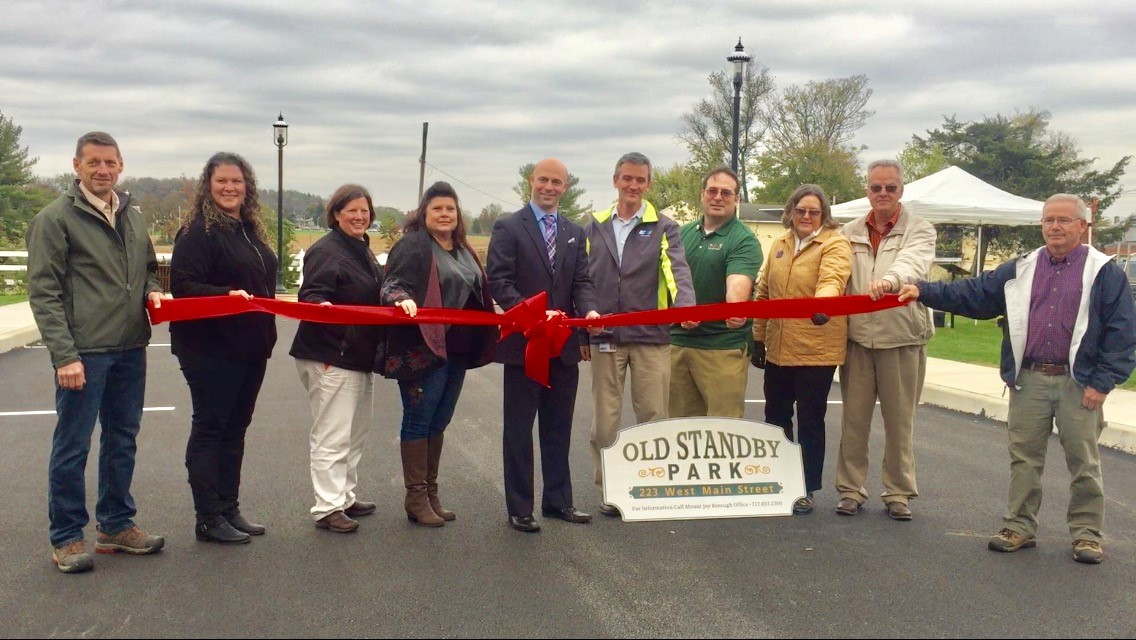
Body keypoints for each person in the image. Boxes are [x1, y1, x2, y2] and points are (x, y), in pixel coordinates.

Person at [898, 194, 1136, 564]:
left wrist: (1102, 382)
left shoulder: (1104, 271)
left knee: (1084, 462)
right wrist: (924, 290)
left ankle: (1087, 535)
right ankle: (1019, 527)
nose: (1054, 227)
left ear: (1082, 226)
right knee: (1024, 459)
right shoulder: (1023, 267)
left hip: (1079, 383)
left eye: (1063, 220)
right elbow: (975, 293)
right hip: (1030, 379)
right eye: (1048, 220)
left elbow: (1122, 332)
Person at [27, 131, 167, 573]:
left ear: (121, 165)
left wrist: (151, 292)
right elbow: (44, 293)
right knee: (72, 446)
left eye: (110, 162)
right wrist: (64, 355)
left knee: (122, 439)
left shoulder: (133, 215)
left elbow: (148, 269)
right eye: (94, 163)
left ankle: (115, 524)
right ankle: (67, 537)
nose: (103, 170)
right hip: (84, 352)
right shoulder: (55, 219)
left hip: (130, 346)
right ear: (76, 166)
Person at [486, 158, 601, 533]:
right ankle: (520, 507)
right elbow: (499, 281)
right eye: (543, 180)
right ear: (531, 182)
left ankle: (558, 502)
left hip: (563, 347)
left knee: (558, 427)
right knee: (519, 429)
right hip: (524, 345)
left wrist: (590, 311)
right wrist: (531, 315)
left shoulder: (573, 230)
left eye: (557, 182)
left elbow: (581, 280)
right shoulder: (508, 226)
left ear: (565, 187)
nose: (549, 187)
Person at [170, 152, 278, 545]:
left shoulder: (247, 229)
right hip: (210, 349)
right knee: (211, 428)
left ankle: (229, 508)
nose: (230, 188)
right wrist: (225, 295)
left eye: (237, 181)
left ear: (247, 186)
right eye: (221, 182)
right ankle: (208, 518)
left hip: (250, 347)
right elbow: (182, 286)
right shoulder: (199, 233)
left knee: (236, 429)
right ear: (208, 185)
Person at [585, 152, 696, 516]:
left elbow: (675, 268)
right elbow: (581, 280)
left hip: (651, 336)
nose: (633, 185)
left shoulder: (664, 226)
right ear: (615, 180)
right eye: (627, 178)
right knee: (605, 422)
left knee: (652, 416)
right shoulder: (594, 225)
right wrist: (580, 333)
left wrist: (686, 306)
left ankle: (649, 487)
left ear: (648, 185)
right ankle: (610, 492)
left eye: (640, 180)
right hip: (605, 336)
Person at [381, 181, 497, 527]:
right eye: (437, 209)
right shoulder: (414, 246)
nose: (445, 214)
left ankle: (430, 493)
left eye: (450, 208)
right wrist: (401, 299)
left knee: (439, 420)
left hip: (457, 351)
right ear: (424, 213)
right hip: (423, 351)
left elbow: (479, 290)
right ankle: (415, 497)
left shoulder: (464, 249)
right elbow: (391, 284)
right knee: (419, 419)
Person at [835, 159, 936, 521]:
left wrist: (891, 280)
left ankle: (898, 492)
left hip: (902, 337)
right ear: (867, 190)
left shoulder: (920, 229)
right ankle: (850, 490)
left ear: (901, 190)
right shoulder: (847, 232)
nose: (883, 194)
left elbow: (914, 263)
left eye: (890, 187)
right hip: (858, 339)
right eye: (876, 187)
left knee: (900, 422)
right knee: (854, 420)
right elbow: (834, 274)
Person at [289, 185, 385, 534]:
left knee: (354, 432)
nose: (359, 217)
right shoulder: (327, 251)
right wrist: (323, 310)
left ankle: (343, 495)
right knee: (332, 434)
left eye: (364, 211)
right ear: (336, 215)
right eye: (352, 211)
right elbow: (311, 296)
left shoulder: (362, 250)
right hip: (331, 356)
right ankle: (327, 506)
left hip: (358, 357)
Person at [751, 185, 852, 515]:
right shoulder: (779, 244)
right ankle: (777, 479)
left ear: (823, 215)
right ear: (790, 211)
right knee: (776, 417)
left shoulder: (835, 243)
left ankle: (805, 488)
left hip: (816, 349)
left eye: (814, 212)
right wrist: (758, 337)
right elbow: (764, 292)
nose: (806, 216)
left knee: (810, 420)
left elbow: (832, 279)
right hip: (778, 347)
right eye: (801, 210)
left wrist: (824, 302)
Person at [669, 167, 762, 419]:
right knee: (680, 431)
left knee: (723, 435)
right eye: (712, 191)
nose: (718, 197)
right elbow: (667, 281)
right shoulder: (680, 234)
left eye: (726, 193)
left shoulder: (743, 240)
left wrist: (735, 308)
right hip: (677, 344)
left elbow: (738, 283)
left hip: (721, 349)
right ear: (702, 195)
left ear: (737, 199)